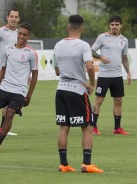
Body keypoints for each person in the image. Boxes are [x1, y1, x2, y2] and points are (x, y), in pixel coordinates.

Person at [53, 15, 103, 173]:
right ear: (82, 27)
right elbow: (89, 67)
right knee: (87, 126)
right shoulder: (83, 45)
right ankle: (86, 164)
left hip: (60, 89)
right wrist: (92, 84)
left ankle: (63, 164)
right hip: (77, 90)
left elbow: (56, 71)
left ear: (68, 27)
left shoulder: (58, 45)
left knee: (63, 127)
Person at [0, 22, 38, 154]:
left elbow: (35, 75)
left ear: (29, 36)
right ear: (17, 33)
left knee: (9, 114)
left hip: (19, 91)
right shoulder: (7, 49)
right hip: (4, 87)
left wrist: (29, 95)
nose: (21, 36)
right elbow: (3, 69)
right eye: (20, 33)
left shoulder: (31, 53)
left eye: (25, 35)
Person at [91, 15, 131, 135]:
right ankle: (93, 128)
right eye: (112, 24)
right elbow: (91, 51)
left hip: (117, 75)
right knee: (99, 100)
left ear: (121, 26)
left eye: (117, 24)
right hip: (104, 75)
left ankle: (117, 128)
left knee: (118, 101)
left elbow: (124, 58)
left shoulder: (124, 40)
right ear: (110, 25)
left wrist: (128, 73)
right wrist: (100, 57)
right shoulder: (102, 37)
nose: (114, 27)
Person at [0, 8, 20, 136]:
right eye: (11, 16)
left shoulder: (19, 33)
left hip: (13, 73)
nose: (13, 19)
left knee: (9, 101)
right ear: (7, 17)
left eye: (16, 17)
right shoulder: (0, 31)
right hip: (0, 70)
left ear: (19, 19)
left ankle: (2, 129)